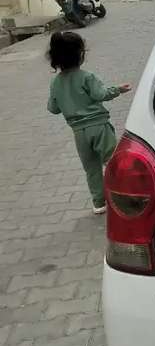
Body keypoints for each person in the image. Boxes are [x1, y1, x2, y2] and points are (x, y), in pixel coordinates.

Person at [46, 31, 131, 214]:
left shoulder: (55, 83)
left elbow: (52, 108)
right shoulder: (87, 76)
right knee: (113, 161)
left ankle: (99, 203)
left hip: (79, 133)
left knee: (91, 169)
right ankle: (126, 195)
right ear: (80, 54)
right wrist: (118, 90)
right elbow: (100, 94)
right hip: (99, 127)